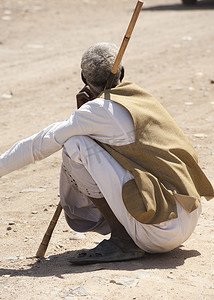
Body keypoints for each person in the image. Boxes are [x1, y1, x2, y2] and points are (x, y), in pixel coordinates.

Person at [0, 42, 213, 264]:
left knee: (75, 145)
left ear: (84, 79)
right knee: (87, 142)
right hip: (186, 218)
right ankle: (128, 232)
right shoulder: (140, 98)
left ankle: (122, 239)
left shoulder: (97, 110)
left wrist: (84, 114)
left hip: (158, 230)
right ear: (122, 72)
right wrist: (84, 113)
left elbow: (38, 145)